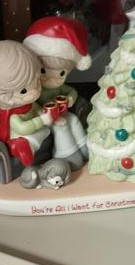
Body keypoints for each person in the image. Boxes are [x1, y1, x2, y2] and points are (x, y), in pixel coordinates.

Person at [24, 17, 91, 170]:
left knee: (73, 119)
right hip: (44, 118)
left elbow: (71, 92)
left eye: (61, 73)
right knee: (61, 126)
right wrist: (44, 115)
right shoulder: (35, 89)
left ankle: (84, 146)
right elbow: (32, 106)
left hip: (60, 112)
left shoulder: (60, 88)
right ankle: (66, 153)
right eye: (43, 71)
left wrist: (70, 99)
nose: (52, 79)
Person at [0, 40, 54, 167]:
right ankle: (19, 147)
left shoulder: (28, 104)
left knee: (47, 131)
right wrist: (42, 120)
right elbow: (22, 128)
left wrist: (42, 112)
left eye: (36, 82)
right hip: (20, 135)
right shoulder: (11, 115)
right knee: (33, 138)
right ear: (4, 97)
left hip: (37, 129)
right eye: (24, 91)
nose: (36, 91)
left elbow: (35, 109)